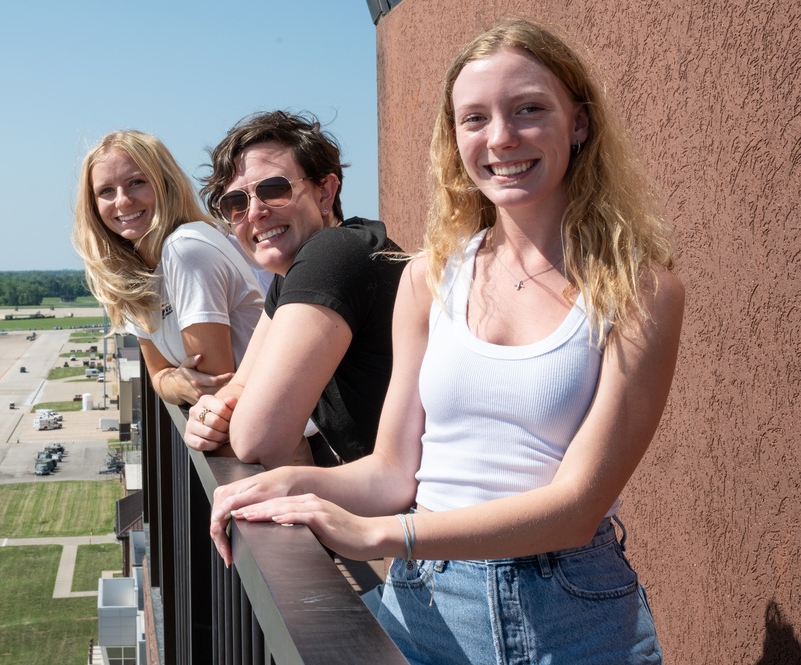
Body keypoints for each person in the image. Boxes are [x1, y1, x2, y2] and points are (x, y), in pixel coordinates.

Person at [208, 18, 684, 664]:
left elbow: (577, 505)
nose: (501, 138)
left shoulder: (639, 289)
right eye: (474, 119)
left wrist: (382, 532)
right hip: (426, 609)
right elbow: (391, 470)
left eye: (528, 110)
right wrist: (288, 484)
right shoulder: (429, 279)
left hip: (574, 615)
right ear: (452, 137)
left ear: (577, 123)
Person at [183, 111, 405, 468]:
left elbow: (257, 438)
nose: (254, 212)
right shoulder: (293, 274)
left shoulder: (334, 254)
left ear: (325, 192)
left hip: (411, 515)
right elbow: (239, 388)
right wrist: (210, 412)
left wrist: (235, 420)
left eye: (273, 190)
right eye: (235, 203)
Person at [73, 130, 264, 406]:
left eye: (136, 182)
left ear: (165, 183)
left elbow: (214, 389)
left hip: (285, 434)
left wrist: (175, 382)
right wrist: (173, 382)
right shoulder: (134, 272)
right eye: (106, 191)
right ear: (93, 206)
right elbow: (159, 375)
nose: (123, 201)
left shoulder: (185, 248)